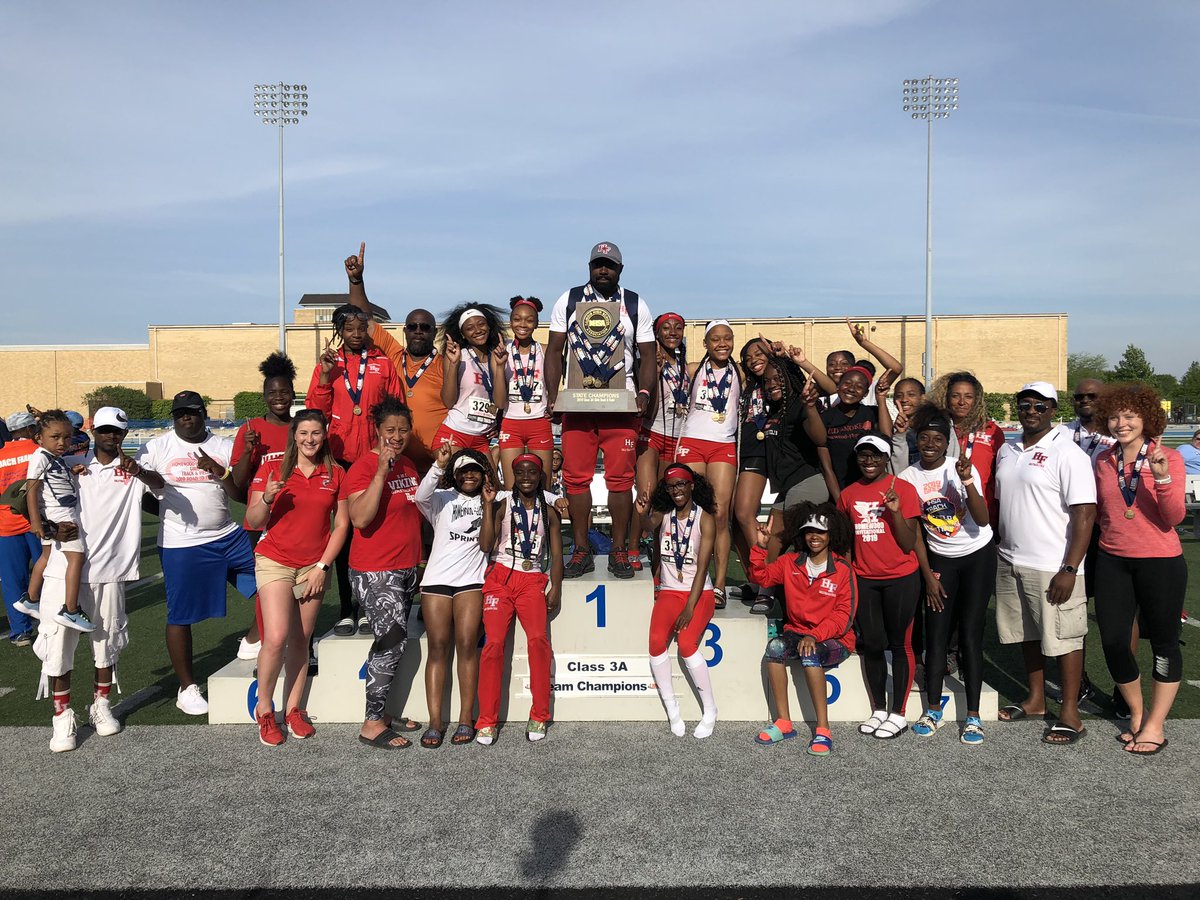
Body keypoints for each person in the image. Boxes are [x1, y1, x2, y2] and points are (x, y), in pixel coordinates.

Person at [31, 407, 159, 752]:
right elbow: (24, 497)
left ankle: (101, 705)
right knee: (57, 646)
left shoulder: (133, 471)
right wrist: (48, 527)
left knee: (107, 643)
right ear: (93, 430)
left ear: (125, 433)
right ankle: (62, 716)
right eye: (103, 430)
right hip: (64, 569)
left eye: (116, 431)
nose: (110, 436)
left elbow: (161, 492)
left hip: (110, 571)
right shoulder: (71, 464)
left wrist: (140, 471)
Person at [136, 390, 258, 716]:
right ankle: (186, 687)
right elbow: (142, 494)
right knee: (181, 616)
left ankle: (253, 641)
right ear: (174, 417)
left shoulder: (221, 445)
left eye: (192, 412)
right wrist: (167, 515)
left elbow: (239, 491)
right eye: (180, 414)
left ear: (204, 412)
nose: (186, 418)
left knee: (274, 585)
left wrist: (223, 468)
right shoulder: (157, 447)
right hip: (182, 544)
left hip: (228, 536)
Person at [544, 241, 656, 580]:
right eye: (597, 265)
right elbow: (554, 351)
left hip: (620, 405)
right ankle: (581, 549)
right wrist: (553, 394)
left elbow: (648, 355)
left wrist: (646, 393)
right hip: (578, 405)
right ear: (589, 268)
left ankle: (619, 549)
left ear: (620, 269)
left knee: (620, 481)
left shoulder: (634, 303)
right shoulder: (570, 299)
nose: (602, 270)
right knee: (576, 480)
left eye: (609, 265)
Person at [993, 382, 1095, 745]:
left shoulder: (1068, 453)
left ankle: (1070, 712)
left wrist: (1069, 568)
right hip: (1010, 558)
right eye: (1025, 404)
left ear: (1053, 409)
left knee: (1065, 638)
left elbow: (1085, 514)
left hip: (1053, 564)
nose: (1031, 410)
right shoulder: (1007, 450)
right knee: (1027, 635)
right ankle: (1036, 700)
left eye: (1040, 405)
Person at [244, 409, 349, 747]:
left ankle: (293, 710)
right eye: (303, 433)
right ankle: (265, 710)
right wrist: (267, 497)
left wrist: (322, 567)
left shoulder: (336, 473)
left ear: (324, 435)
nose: (310, 439)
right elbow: (253, 518)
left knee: (302, 638)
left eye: (316, 433)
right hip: (274, 560)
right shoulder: (272, 469)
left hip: (312, 567)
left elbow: (342, 525)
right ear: (294, 435)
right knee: (275, 637)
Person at [1091, 384, 1187, 755]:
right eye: (1115, 416)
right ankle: (1136, 714)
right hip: (1113, 560)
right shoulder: (1102, 459)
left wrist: (1161, 477)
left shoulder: (1169, 458)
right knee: (1114, 642)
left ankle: (1156, 725)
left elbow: (1174, 517)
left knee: (1163, 645)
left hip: (1161, 562)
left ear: (1147, 418)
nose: (1121, 423)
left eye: (1130, 415)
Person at [900, 408, 995, 745]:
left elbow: (983, 520)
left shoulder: (959, 470)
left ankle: (973, 715)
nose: (930, 444)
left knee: (970, 635)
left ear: (946, 443)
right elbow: (913, 535)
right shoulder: (908, 477)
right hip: (941, 560)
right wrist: (928, 577)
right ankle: (934, 709)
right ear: (917, 440)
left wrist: (967, 481)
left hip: (977, 556)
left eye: (937, 439)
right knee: (936, 635)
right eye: (924, 438)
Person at [307, 303, 401, 636]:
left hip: (373, 457)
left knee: (372, 530)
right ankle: (347, 608)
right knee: (344, 532)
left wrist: (388, 446)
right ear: (339, 332)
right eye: (349, 329)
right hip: (340, 459)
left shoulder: (383, 363)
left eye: (362, 328)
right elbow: (315, 412)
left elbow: (394, 409)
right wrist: (324, 376)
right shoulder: (329, 365)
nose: (357, 334)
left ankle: (368, 605)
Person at [344, 396, 423, 749]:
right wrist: (380, 472)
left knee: (398, 642)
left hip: (406, 569)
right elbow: (360, 518)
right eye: (389, 429)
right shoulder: (362, 468)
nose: (396, 435)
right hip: (375, 571)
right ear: (377, 431)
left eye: (403, 429)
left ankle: (385, 712)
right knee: (390, 642)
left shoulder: (408, 466)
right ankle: (372, 723)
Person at [748, 501, 857, 755]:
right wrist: (760, 548)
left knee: (810, 652)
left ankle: (823, 730)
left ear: (831, 536)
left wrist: (814, 634)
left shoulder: (842, 569)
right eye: (810, 531)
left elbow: (845, 616)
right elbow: (761, 577)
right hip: (798, 632)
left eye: (820, 532)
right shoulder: (790, 562)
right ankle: (784, 722)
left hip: (836, 638)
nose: (814, 537)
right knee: (774, 647)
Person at [475, 454, 564, 745]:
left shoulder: (549, 511)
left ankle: (540, 713)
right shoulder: (502, 504)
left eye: (532, 472)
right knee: (494, 646)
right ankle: (487, 720)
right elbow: (486, 545)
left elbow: (558, 554)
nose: (526, 477)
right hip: (501, 577)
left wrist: (556, 587)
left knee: (539, 642)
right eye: (521, 472)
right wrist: (488, 507)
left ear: (541, 477)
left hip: (532, 580)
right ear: (514, 476)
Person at [837, 434, 922, 739]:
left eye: (876, 456)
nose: (869, 461)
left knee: (900, 644)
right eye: (863, 455)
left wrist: (895, 511)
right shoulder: (848, 495)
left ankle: (898, 713)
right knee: (872, 643)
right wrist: (846, 576)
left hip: (901, 577)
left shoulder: (904, 489)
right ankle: (878, 708)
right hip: (865, 578)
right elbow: (846, 543)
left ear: (887, 458)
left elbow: (908, 542)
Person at [344, 243, 448, 475]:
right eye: (413, 326)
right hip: (395, 462)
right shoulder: (392, 353)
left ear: (434, 332)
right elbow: (365, 319)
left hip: (435, 466)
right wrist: (356, 281)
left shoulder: (445, 365)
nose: (418, 331)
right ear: (405, 331)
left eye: (424, 327)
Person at [414, 445, 493, 748]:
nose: (469, 475)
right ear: (455, 475)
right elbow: (419, 496)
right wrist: (439, 465)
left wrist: (557, 498)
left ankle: (465, 718)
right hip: (436, 582)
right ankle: (435, 722)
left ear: (483, 472)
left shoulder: (492, 499)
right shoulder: (441, 499)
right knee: (437, 648)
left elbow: (487, 543)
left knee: (467, 647)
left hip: (471, 582)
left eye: (475, 469)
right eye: (463, 471)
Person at [636, 463, 719, 739]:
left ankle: (710, 709)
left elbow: (704, 568)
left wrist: (689, 608)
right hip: (670, 591)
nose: (677, 490)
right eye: (672, 486)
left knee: (686, 644)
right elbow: (648, 526)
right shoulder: (664, 514)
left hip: (698, 592)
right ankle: (672, 708)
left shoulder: (705, 519)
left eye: (682, 484)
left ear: (692, 485)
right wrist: (641, 513)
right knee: (656, 643)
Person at [230, 351, 297, 660]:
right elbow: (240, 483)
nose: (279, 398)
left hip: (297, 517)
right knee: (268, 583)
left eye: (284, 392)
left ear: (293, 393)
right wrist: (248, 451)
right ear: (264, 396)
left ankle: (285, 639)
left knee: (294, 586)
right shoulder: (251, 429)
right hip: (261, 520)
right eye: (273, 393)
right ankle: (262, 638)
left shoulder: (301, 427)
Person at [1057, 377, 1117, 707]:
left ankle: (1124, 686)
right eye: (1079, 396)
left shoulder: (1119, 432)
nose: (1084, 400)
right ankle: (1078, 682)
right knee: (1074, 612)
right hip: (1072, 530)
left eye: (1092, 396)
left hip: (1109, 532)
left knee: (1116, 614)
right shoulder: (1063, 434)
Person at [673, 320, 740, 608]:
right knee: (691, 511)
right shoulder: (692, 370)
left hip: (723, 444)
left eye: (727, 338)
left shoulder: (742, 374)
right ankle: (685, 577)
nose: (722, 343)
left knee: (720, 513)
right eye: (716, 339)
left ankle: (720, 584)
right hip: (692, 442)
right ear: (705, 344)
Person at [20, 410, 93, 632]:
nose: (63, 442)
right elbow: (31, 490)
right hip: (60, 514)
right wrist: (36, 522)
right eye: (55, 437)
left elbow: (55, 477)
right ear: (39, 438)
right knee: (77, 557)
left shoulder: (53, 458)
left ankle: (31, 598)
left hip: (57, 511)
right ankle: (70, 610)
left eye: (67, 437)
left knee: (47, 555)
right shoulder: (40, 457)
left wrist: (72, 470)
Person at [629, 312, 689, 573]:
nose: (673, 332)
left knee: (664, 502)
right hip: (650, 433)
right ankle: (631, 549)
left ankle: (657, 566)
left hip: (675, 438)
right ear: (656, 333)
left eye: (678, 328)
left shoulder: (686, 366)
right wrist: (654, 373)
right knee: (646, 494)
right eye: (666, 328)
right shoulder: (648, 360)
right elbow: (649, 411)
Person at [927, 372, 1006, 524]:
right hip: (944, 514)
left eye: (968, 397)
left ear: (976, 400)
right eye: (956, 396)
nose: (962, 402)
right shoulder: (936, 430)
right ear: (947, 399)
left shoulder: (992, 431)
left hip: (983, 514)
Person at [496, 297, 554, 487]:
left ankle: (543, 516)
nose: (523, 324)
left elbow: (556, 386)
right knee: (511, 486)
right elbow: (498, 401)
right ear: (511, 322)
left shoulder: (546, 351)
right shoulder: (500, 352)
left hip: (539, 422)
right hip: (511, 422)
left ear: (537, 324)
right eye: (517, 319)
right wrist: (499, 366)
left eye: (529, 320)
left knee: (543, 486)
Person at [436, 303, 507, 453]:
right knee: (454, 475)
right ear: (463, 334)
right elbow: (448, 402)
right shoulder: (458, 356)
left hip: (482, 438)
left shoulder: (496, 357)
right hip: (455, 432)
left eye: (481, 324)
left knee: (491, 477)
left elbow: (500, 403)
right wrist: (454, 364)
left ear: (489, 326)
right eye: (470, 328)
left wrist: (495, 423)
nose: (477, 330)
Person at [820, 366, 894, 495]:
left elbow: (886, 436)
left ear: (865, 393)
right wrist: (840, 500)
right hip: (837, 489)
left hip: (869, 489)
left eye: (859, 387)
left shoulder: (871, 413)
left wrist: (880, 398)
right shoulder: (826, 417)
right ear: (838, 386)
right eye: (847, 383)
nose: (851, 389)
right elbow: (826, 467)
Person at [0, 412, 40, 645]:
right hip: (35, 522)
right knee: (48, 572)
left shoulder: (1, 455)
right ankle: (51, 620)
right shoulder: (36, 451)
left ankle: (20, 631)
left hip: (6, 525)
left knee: (12, 580)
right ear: (28, 429)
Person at [821, 320, 903, 409]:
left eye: (844, 363)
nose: (837, 367)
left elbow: (896, 369)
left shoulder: (870, 390)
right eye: (831, 364)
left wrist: (864, 343)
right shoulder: (819, 395)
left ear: (853, 368)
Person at [888, 378, 926, 472]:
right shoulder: (893, 430)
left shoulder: (935, 426)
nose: (904, 400)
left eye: (911, 395)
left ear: (923, 398)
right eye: (899, 396)